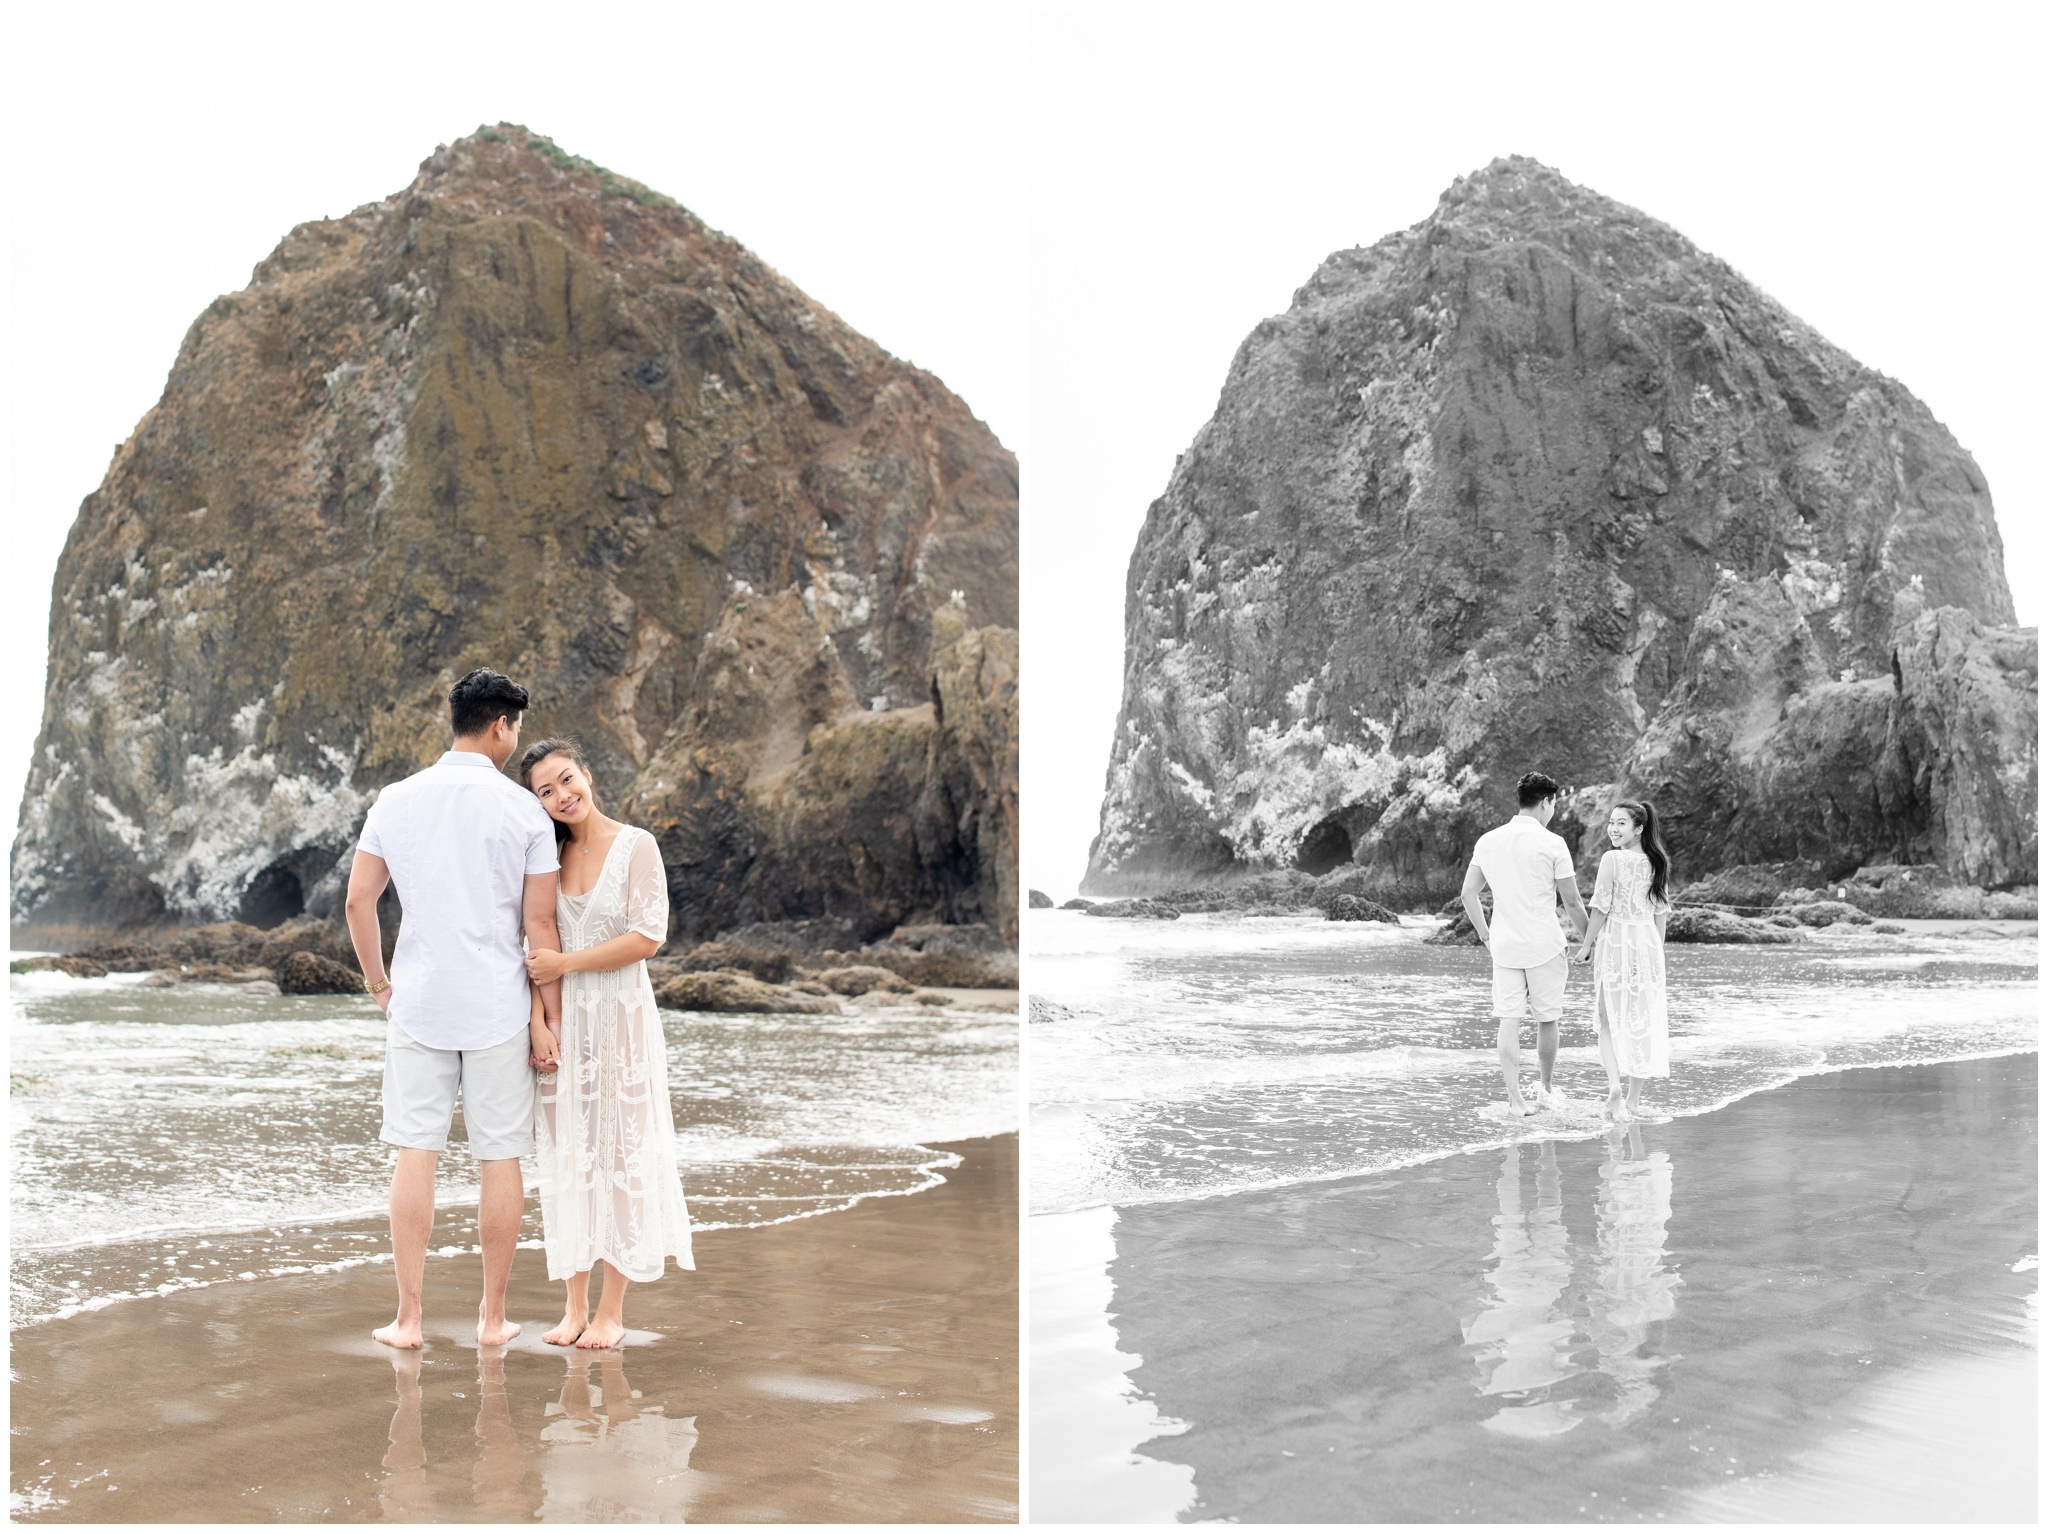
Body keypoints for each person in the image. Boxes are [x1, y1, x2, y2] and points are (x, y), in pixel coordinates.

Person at [345, 668, 563, 1349]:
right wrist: (547, 1018)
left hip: (420, 1004)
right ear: (501, 725)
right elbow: (541, 928)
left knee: (418, 1153)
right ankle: (492, 1318)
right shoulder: (524, 811)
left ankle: (408, 1320)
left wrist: (380, 985)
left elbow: (359, 902)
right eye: (516, 728)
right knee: (500, 1160)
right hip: (498, 1006)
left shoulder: (397, 799)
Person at [518, 738, 694, 1349]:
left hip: (622, 1022)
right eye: (546, 791)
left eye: (567, 780)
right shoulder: (547, 857)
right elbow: (533, 950)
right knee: (567, 1160)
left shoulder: (637, 845)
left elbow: (648, 937)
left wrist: (565, 964)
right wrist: (539, 1021)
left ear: (587, 775)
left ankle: (611, 1312)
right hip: (566, 1028)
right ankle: (572, 1308)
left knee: (621, 1157)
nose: (562, 795)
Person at [1460, 771, 1589, 1116]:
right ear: (1546, 801)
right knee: (1547, 1019)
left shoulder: (1488, 840)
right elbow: (1572, 902)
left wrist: (1485, 935)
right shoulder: (1552, 842)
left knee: (1509, 1019)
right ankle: (1545, 1091)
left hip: (1504, 945)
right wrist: (1591, 940)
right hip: (1544, 944)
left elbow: (1468, 893)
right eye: (1553, 805)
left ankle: (1515, 1100)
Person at [1572, 801, 1672, 1122]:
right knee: (1641, 1021)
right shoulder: (1658, 863)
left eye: (1621, 824)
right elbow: (1660, 916)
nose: (1613, 829)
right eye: (1611, 823)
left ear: (1638, 829)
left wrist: (1586, 945)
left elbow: (1600, 908)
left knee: (1607, 1020)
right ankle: (1633, 1101)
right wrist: (1658, 955)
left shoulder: (1611, 859)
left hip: (1615, 941)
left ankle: (1614, 1085)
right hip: (1647, 946)